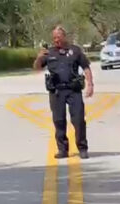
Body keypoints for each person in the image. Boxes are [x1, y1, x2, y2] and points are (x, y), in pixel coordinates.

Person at [33, 25, 94, 159]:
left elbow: (86, 67)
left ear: (64, 37)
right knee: (59, 121)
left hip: (73, 90)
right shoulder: (49, 53)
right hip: (56, 91)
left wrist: (90, 84)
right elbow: (37, 68)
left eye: (59, 37)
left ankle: (82, 148)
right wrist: (38, 57)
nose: (56, 40)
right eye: (54, 38)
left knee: (78, 120)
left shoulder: (75, 50)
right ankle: (62, 149)